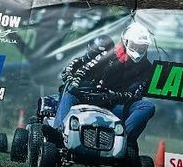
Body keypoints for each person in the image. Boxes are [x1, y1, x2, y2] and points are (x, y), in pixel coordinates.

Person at [53, 15, 157, 150]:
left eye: (142, 48)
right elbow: (86, 68)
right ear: (125, 42)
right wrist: (76, 81)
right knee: (69, 94)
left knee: (147, 106)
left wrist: (113, 95)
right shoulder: (109, 55)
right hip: (90, 97)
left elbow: (135, 93)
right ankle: (58, 133)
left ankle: (123, 139)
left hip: (114, 105)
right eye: (134, 46)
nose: (138, 51)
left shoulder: (147, 68)